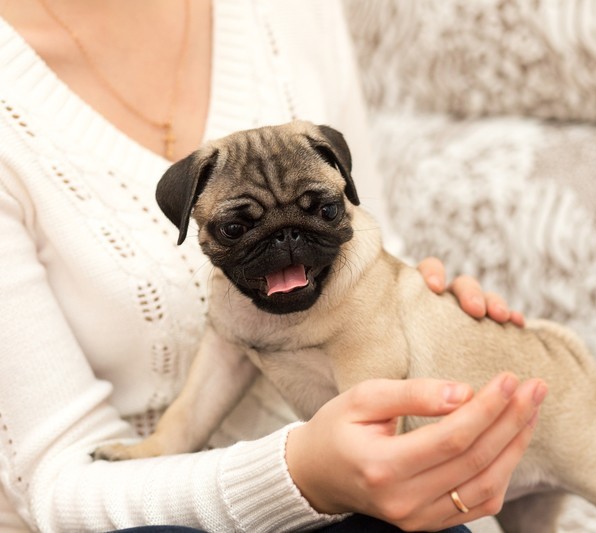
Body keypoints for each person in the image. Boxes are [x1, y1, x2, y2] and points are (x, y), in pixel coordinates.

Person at [0, 1, 546, 531]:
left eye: (320, 211)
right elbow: (56, 485)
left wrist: (422, 303)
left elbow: (375, 238)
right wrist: (301, 474)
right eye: (238, 229)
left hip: (391, 493)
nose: (286, 246)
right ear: (186, 210)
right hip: (151, 515)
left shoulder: (296, 8)